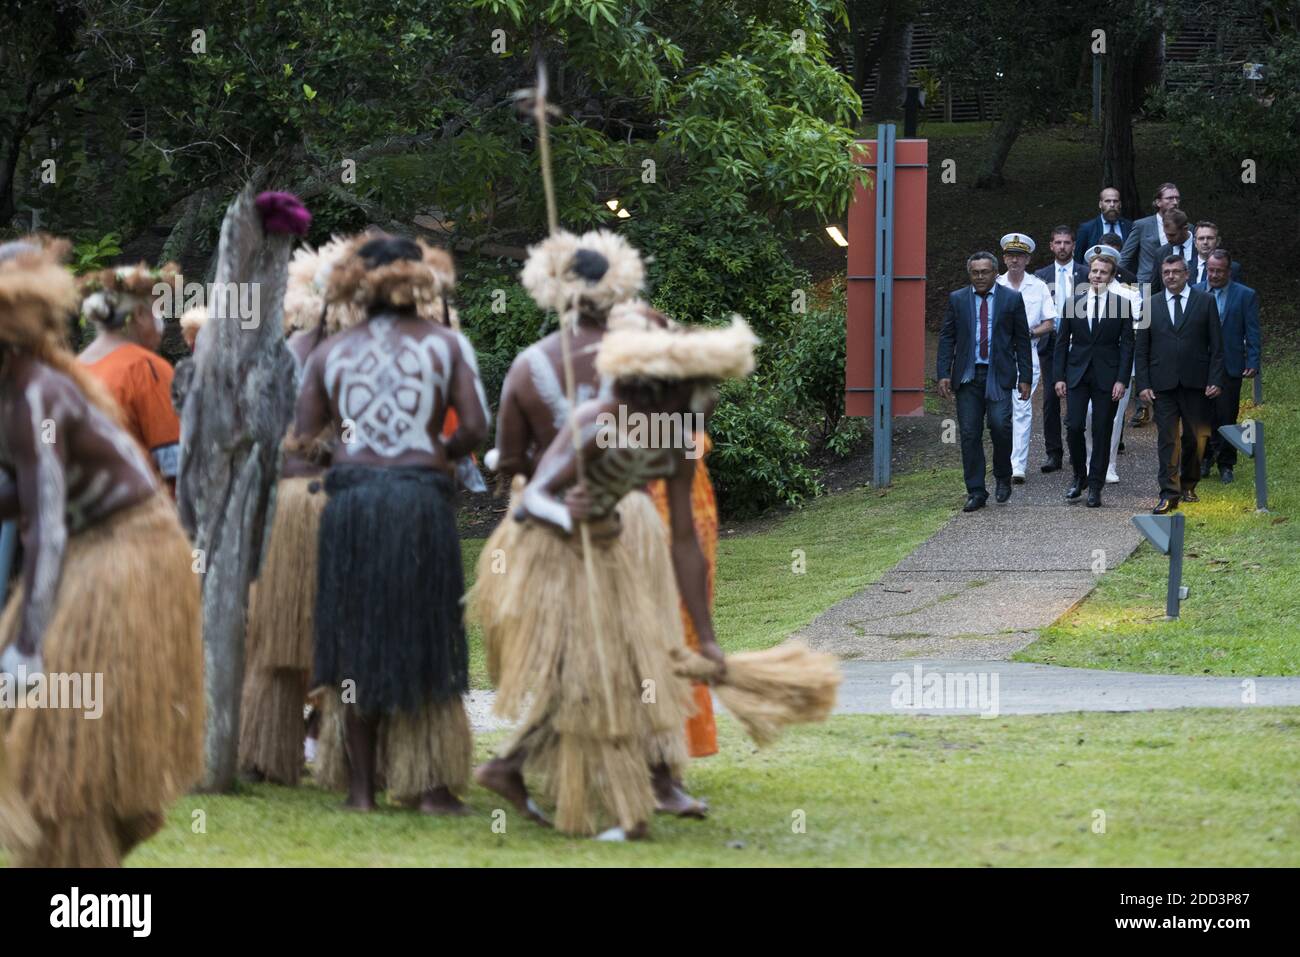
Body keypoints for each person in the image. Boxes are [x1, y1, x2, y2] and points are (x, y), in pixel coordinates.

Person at [472, 316, 754, 839]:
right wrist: (569, 513)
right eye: (694, 396)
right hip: (551, 549)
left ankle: (512, 770)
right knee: (596, 673)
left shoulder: (676, 434)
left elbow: (685, 539)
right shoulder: (597, 422)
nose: (702, 408)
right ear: (656, 392)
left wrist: (708, 638)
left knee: (625, 672)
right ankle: (626, 812)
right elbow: (532, 499)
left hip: (608, 547)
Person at [0, 237, 203, 867]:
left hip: (125, 551)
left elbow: (48, 524)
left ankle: (88, 854)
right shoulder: (18, 386)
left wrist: (27, 647)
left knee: (69, 728)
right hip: (91, 546)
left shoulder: (37, 392)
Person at [287, 233, 488, 814]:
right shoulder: (446, 345)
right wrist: (437, 453)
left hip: (350, 504)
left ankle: (361, 789)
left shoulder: (331, 352)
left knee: (356, 637)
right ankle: (430, 788)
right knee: (424, 635)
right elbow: (475, 426)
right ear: (419, 282)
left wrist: (353, 450)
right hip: (419, 500)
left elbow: (305, 433)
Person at [238, 236, 360, 786]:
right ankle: (348, 763)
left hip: (284, 502)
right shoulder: (350, 356)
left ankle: (266, 756)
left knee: (278, 639)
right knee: (348, 634)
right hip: (335, 501)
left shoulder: (285, 351)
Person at [936, 251, 1032, 512]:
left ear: (994, 272)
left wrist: (1026, 377)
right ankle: (976, 491)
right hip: (968, 376)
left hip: (999, 375)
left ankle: (1002, 475)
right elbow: (947, 337)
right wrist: (943, 372)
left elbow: (1022, 340)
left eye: (985, 272)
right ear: (970, 274)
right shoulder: (957, 299)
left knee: (1001, 427)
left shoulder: (1011, 299)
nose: (980, 277)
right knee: (969, 433)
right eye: (975, 272)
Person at [77, 263, 183, 492]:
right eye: (158, 309)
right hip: (138, 514)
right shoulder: (146, 368)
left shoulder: (68, 370)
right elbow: (175, 465)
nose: (161, 319)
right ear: (139, 315)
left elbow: (46, 439)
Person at [1135, 255, 1226, 514]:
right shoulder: (1148, 305)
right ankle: (1168, 492)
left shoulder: (1205, 301)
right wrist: (1143, 384)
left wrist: (1215, 379)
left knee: (1196, 437)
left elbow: (1217, 346)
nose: (1171, 276)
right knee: (1167, 439)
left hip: (1197, 382)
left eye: (1176, 272)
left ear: (1187, 274)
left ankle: (1189, 483)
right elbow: (1141, 349)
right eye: (1166, 272)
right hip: (1162, 384)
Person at [1053, 246, 1134, 508]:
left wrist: (1122, 379)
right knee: (1074, 426)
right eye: (1094, 271)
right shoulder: (1073, 302)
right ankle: (1079, 476)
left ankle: (1096, 485)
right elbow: (1062, 342)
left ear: (1111, 276)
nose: (1097, 276)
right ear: (1089, 273)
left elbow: (1127, 345)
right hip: (1077, 373)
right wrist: (1059, 377)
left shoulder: (1122, 304)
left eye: (1104, 272)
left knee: (1102, 429)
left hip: (1107, 376)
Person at [996, 233, 1056, 484]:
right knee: (999, 410)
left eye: (1019, 256)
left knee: (1021, 408)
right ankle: (1002, 460)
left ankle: (1017, 464)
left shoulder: (1038, 286)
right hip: (998, 355)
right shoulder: (995, 284)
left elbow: (1050, 323)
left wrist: (1028, 333)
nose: (1014, 260)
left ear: (1028, 259)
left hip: (1026, 353)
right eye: (1010, 255)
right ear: (1004, 258)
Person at [1196, 249, 1260, 483]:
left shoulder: (1245, 295)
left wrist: (1252, 360)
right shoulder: (1195, 292)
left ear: (1228, 271)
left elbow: (1252, 330)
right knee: (1201, 414)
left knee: (1225, 414)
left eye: (1219, 271)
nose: (1214, 275)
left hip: (1230, 363)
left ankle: (1226, 463)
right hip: (1200, 364)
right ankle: (1204, 458)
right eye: (1210, 270)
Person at [1034, 227, 1087, 474]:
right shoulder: (1040, 276)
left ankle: (1081, 449)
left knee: (1081, 396)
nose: (1063, 247)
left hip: (1081, 343)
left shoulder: (1087, 274)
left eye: (1067, 242)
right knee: (1050, 399)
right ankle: (1053, 452)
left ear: (1074, 245)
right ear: (1051, 246)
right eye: (1058, 242)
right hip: (1051, 343)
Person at [1120, 182, 1182, 284]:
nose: (1175, 202)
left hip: (1176, 281)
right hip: (1146, 282)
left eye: (1177, 198)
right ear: (1158, 202)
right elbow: (1125, 257)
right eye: (1170, 198)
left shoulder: (1186, 227)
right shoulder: (1142, 225)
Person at [1075, 186, 1133, 261]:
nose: (1112, 205)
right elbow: (1078, 258)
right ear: (1100, 204)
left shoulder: (1130, 226)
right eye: (1107, 201)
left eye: (1115, 201)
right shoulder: (1087, 228)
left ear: (1120, 204)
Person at [1150, 210, 1195, 294]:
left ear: (1185, 229)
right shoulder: (1160, 253)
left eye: (1172, 235)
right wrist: (1146, 306)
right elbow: (1153, 286)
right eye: (1166, 234)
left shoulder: (1201, 249)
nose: (1168, 239)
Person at [1188, 222, 1241, 288]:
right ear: (1195, 242)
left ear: (1218, 241)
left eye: (1210, 238)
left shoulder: (1233, 268)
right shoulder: (1186, 267)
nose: (1205, 242)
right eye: (1201, 238)